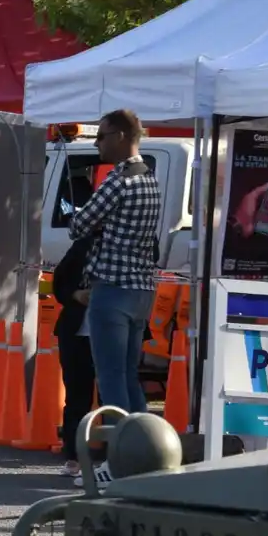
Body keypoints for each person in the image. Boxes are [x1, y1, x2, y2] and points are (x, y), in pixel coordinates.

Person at [69, 109, 162, 414]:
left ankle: (119, 454)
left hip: (112, 289)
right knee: (129, 377)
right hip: (142, 289)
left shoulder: (118, 180)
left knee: (110, 379)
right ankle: (143, 449)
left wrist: (95, 223)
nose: (97, 144)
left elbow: (78, 226)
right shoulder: (150, 178)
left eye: (101, 136)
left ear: (120, 137)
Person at [53, 234, 98, 480]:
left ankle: (121, 456)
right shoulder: (83, 244)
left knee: (115, 395)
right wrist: (75, 294)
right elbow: (59, 280)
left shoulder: (130, 240)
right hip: (77, 329)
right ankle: (73, 455)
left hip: (115, 328)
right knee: (76, 396)